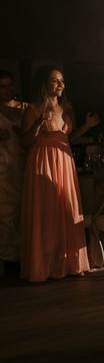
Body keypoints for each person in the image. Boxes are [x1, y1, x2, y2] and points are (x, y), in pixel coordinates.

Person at [20, 66, 100, 282]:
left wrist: (87, 126)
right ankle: (43, 266)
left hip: (64, 161)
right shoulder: (33, 109)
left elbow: (68, 139)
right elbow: (24, 142)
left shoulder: (66, 109)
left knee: (65, 210)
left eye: (62, 81)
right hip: (43, 161)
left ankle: (66, 264)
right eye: (55, 80)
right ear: (45, 84)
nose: (60, 85)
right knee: (45, 211)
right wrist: (39, 122)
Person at [0, 70, 28, 266]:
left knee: (23, 208)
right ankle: (3, 257)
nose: (8, 90)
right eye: (2, 86)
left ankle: (23, 257)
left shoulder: (26, 108)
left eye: (10, 85)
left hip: (23, 163)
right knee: (3, 210)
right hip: (1, 165)